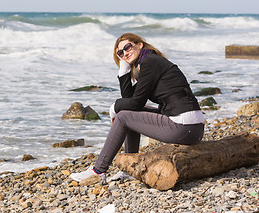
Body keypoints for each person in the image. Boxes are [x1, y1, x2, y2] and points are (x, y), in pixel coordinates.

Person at [70, 33, 205, 183]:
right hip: (190, 127)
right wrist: (124, 70)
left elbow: (135, 103)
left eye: (127, 47)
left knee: (123, 117)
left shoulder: (150, 62)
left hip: (184, 127)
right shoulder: (148, 63)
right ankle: (129, 169)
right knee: (127, 113)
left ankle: (98, 170)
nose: (125, 53)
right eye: (120, 53)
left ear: (139, 44)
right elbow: (130, 100)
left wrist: (113, 108)